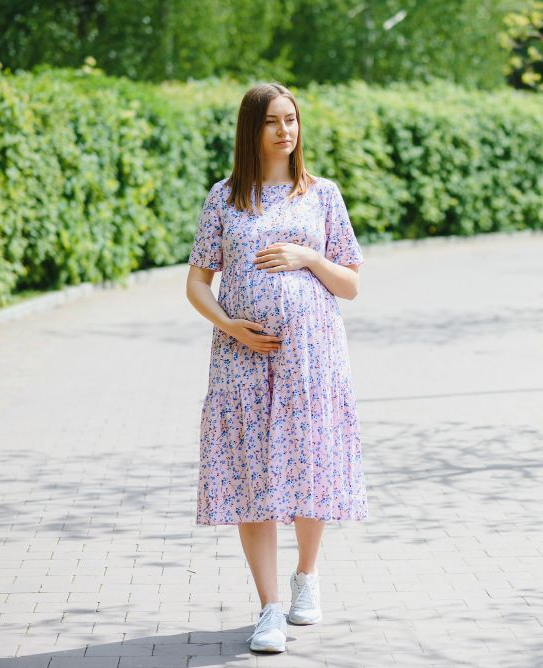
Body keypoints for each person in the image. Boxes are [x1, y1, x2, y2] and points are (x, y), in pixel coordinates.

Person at [184, 82, 368, 654]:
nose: (285, 131)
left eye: (291, 120)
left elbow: (352, 284)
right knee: (251, 477)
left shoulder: (322, 194)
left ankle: (306, 579)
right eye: (273, 122)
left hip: (312, 359)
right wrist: (231, 326)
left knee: (309, 465)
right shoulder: (225, 198)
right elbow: (196, 282)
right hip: (242, 360)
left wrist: (309, 257)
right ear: (252, 130)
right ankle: (268, 609)